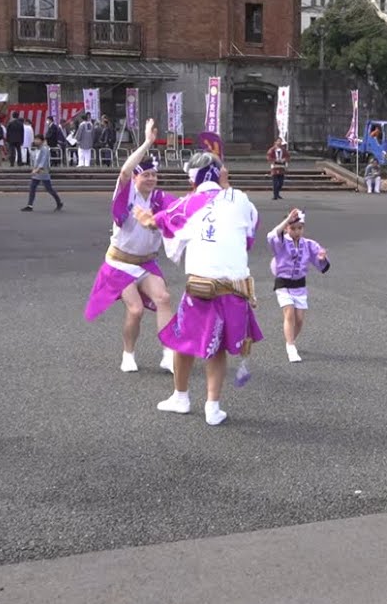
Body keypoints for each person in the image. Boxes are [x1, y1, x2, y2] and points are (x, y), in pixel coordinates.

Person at [136, 147, 262, 426]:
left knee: (184, 341)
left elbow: (156, 223)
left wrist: (144, 217)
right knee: (215, 348)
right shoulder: (240, 199)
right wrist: (227, 186)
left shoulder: (186, 204)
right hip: (236, 290)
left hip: (202, 288)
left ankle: (181, 397)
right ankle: (213, 407)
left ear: (192, 179)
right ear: (221, 175)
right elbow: (250, 233)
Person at [84, 120, 177, 374]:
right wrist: (148, 142)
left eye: (154, 175)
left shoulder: (161, 199)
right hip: (120, 263)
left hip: (146, 262)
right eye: (145, 174)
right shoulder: (127, 192)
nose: (150, 179)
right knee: (135, 310)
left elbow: (183, 213)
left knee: (164, 298)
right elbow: (124, 172)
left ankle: (169, 353)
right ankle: (128, 353)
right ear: (137, 176)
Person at [268, 208, 330, 362]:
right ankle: (290, 347)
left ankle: (291, 341)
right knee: (289, 313)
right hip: (283, 283)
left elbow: (319, 261)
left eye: (300, 228)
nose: (296, 231)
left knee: (300, 319)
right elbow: (271, 236)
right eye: (293, 228)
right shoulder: (281, 242)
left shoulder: (309, 244)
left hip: (300, 285)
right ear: (287, 228)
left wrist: (322, 258)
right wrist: (288, 219)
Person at [20, 134, 63, 212]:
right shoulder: (37, 149)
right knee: (32, 188)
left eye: (37, 139)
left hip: (43, 172)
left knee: (49, 189)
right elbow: (35, 159)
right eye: (35, 139)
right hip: (37, 172)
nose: (36, 141)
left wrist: (37, 169)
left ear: (41, 140)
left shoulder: (45, 149)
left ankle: (59, 202)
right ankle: (30, 205)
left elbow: (43, 161)